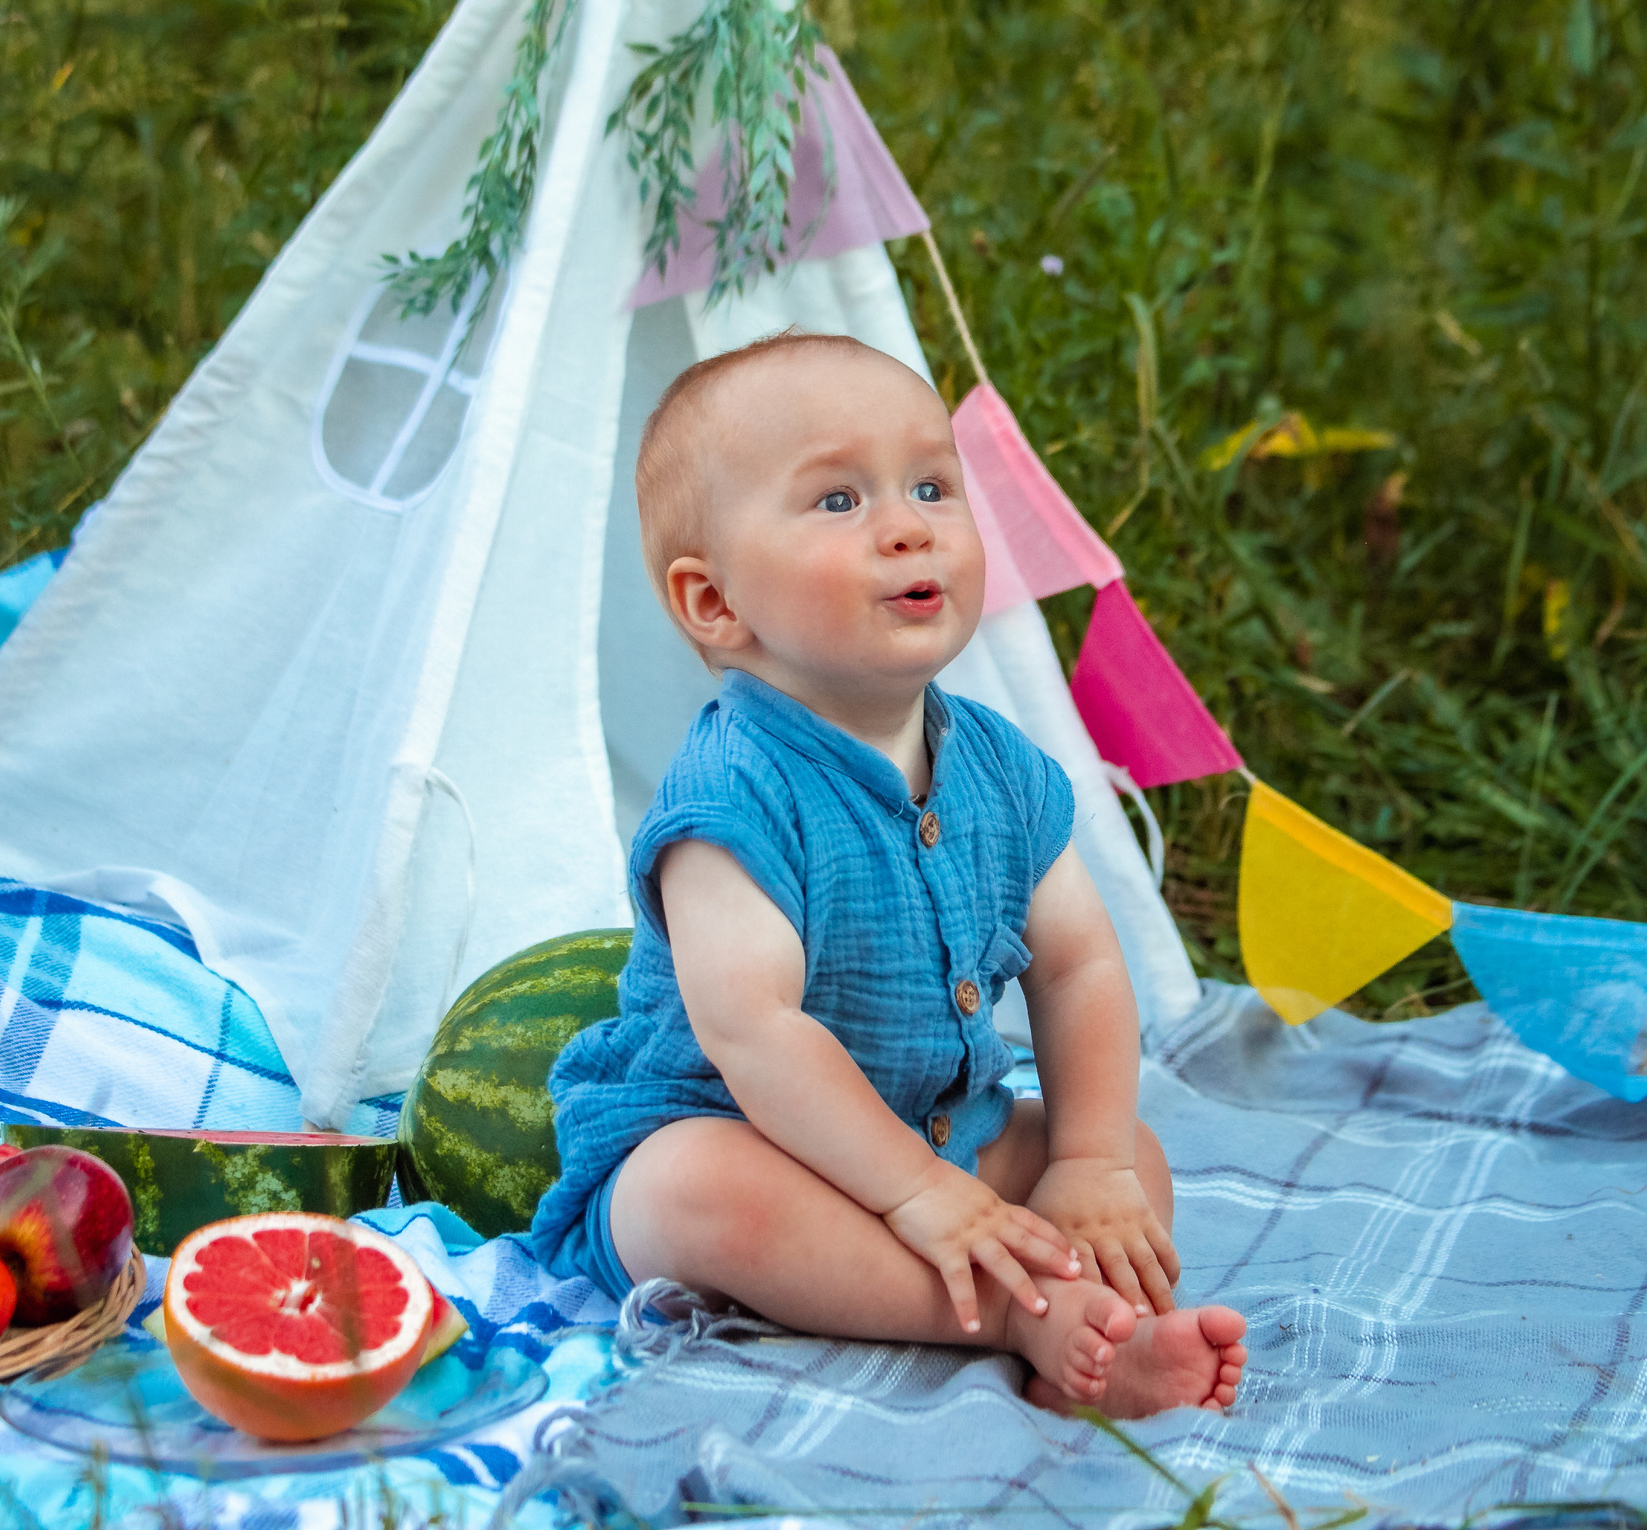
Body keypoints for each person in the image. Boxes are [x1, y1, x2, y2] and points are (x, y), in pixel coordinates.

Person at [524, 330, 1248, 1415]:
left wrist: (1085, 1163)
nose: (908, 527)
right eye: (837, 503)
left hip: (952, 1138)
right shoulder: (733, 796)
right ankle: (1012, 1313)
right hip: (754, 1142)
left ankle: (1095, 1342)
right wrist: (910, 1194)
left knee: (1123, 1150)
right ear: (714, 604)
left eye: (928, 486)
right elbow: (755, 1031)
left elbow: (1078, 966)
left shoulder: (1001, 770)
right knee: (697, 1193)